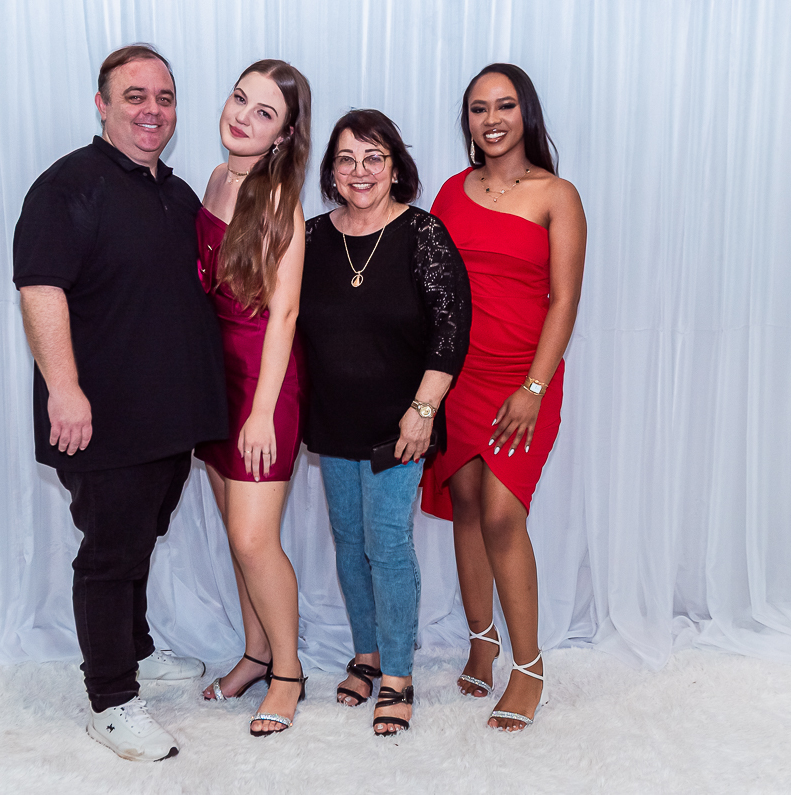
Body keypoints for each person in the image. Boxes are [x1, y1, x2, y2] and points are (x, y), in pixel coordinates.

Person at [12, 44, 227, 762]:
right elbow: (40, 288)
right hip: (100, 413)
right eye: (135, 96)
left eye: (164, 97)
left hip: (167, 412)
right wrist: (64, 389)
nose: (152, 110)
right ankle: (110, 700)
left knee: (139, 538)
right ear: (102, 105)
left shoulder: (175, 191)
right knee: (110, 553)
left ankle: (133, 649)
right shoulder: (67, 186)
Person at [421, 63, 587, 732]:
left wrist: (533, 388)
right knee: (464, 503)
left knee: (500, 514)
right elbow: (429, 287)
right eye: (478, 108)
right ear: (466, 120)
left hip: (524, 376)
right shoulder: (450, 191)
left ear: (527, 113)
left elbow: (564, 300)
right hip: (457, 375)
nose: (491, 119)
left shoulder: (557, 195)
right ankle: (480, 641)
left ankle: (528, 666)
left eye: (505, 105)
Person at [298, 110, 471, 736]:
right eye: (347, 159)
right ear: (331, 171)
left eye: (374, 157)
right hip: (333, 418)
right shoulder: (312, 237)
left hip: (403, 422)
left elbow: (451, 329)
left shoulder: (423, 233)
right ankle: (366, 655)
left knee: (388, 543)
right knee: (349, 541)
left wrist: (423, 411)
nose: (361, 171)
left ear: (396, 167)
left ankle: (398, 673)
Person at [193, 60, 311, 737]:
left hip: (263, 382)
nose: (242, 115)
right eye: (240, 98)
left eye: (264, 112)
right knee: (236, 536)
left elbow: (285, 312)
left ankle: (288, 673)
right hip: (215, 379)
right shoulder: (216, 177)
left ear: (283, 134)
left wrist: (264, 410)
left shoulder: (277, 200)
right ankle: (255, 652)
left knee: (252, 536)